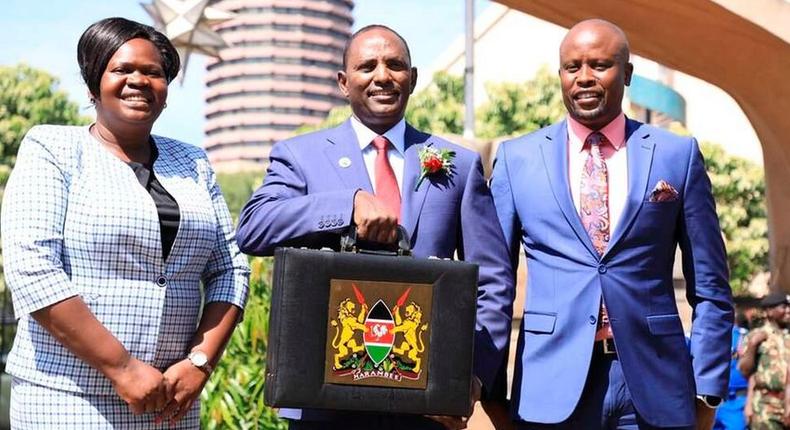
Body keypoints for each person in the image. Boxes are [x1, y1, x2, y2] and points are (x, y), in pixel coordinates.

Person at [236, 24, 514, 430]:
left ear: (413, 79)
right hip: (324, 398)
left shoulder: (459, 163)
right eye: (367, 66)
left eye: (395, 65)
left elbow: (493, 280)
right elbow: (254, 228)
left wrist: (469, 377)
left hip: (425, 403)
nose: (382, 76)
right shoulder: (301, 155)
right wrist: (345, 204)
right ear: (344, 83)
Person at [0, 17, 249, 428]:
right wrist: (124, 369)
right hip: (67, 397)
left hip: (171, 399)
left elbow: (230, 268)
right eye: (123, 70)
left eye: (154, 72)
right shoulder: (52, 148)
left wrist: (199, 364)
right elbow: (33, 270)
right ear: (93, 84)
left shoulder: (193, 162)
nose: (140, 81)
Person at [490, 18, 733, 429]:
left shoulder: (677, 155)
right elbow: (494, 286)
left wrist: (707, 391)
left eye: (600, 65)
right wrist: (488, 392)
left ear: (628, 73)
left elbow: (710, 285)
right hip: (549, 387)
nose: (584, 78)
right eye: (573, 67)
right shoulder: (517, 160)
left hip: (654, 388)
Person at [737, 292, 790, 429]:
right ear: (769, 311)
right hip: (765, 406)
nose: (788, 310)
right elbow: (745, 371)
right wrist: (753, 345)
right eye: (783, 307)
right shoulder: (755, 335)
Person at [714, 296, 760, 430]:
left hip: (736, 401)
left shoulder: (745, 337)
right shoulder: (700, 336)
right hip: (709, 400)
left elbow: (754, 372)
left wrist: (749, 403)